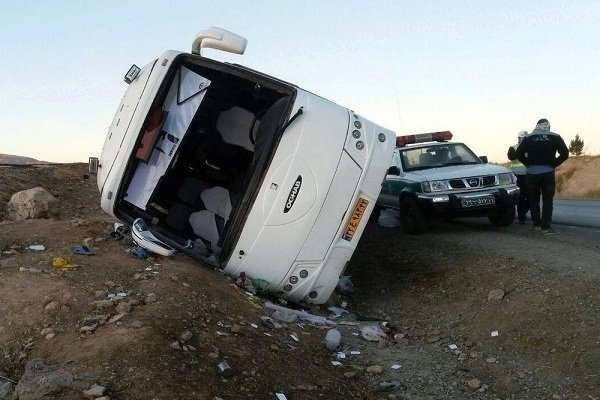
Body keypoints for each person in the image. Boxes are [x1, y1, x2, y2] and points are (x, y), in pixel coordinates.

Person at [516, 118, 569, 235]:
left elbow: (518, 154)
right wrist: (553, 164)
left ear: (536, 125)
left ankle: (536, 226)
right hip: (547, 173)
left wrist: (528, 164)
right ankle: (546, 227)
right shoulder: (555, 137)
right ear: (549, 126)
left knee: (533, 199)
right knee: (547, 200)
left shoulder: (529, 137)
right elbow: (565, 153)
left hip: (531, 174)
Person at [507, 131, 530, 223]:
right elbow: (511, 157)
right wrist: (522, 153)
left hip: (529, 175)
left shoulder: (531, 148)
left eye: (526, 138)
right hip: (517, 176)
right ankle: (521, 216)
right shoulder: (513, 148)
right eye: (523, 138)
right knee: (521, 196)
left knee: (531, 196)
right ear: (519, 138)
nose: (525, 139)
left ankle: (523, 212)